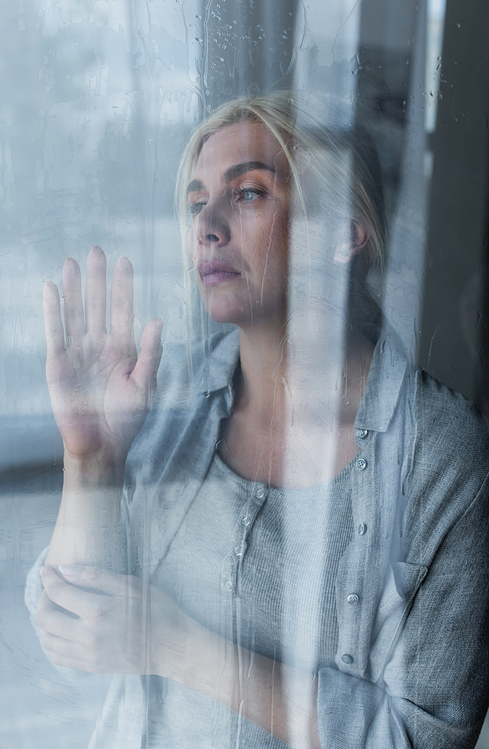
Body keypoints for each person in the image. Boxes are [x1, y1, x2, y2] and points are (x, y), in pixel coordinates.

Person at [26, 92, 489, 748]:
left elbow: (422, 736)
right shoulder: (165, 392)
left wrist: (174, 645)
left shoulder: (445, 458)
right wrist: (91, 458)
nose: (207, 225)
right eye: (195, 202)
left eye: (247, 194)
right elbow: (70, 636)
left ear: (340, 233)